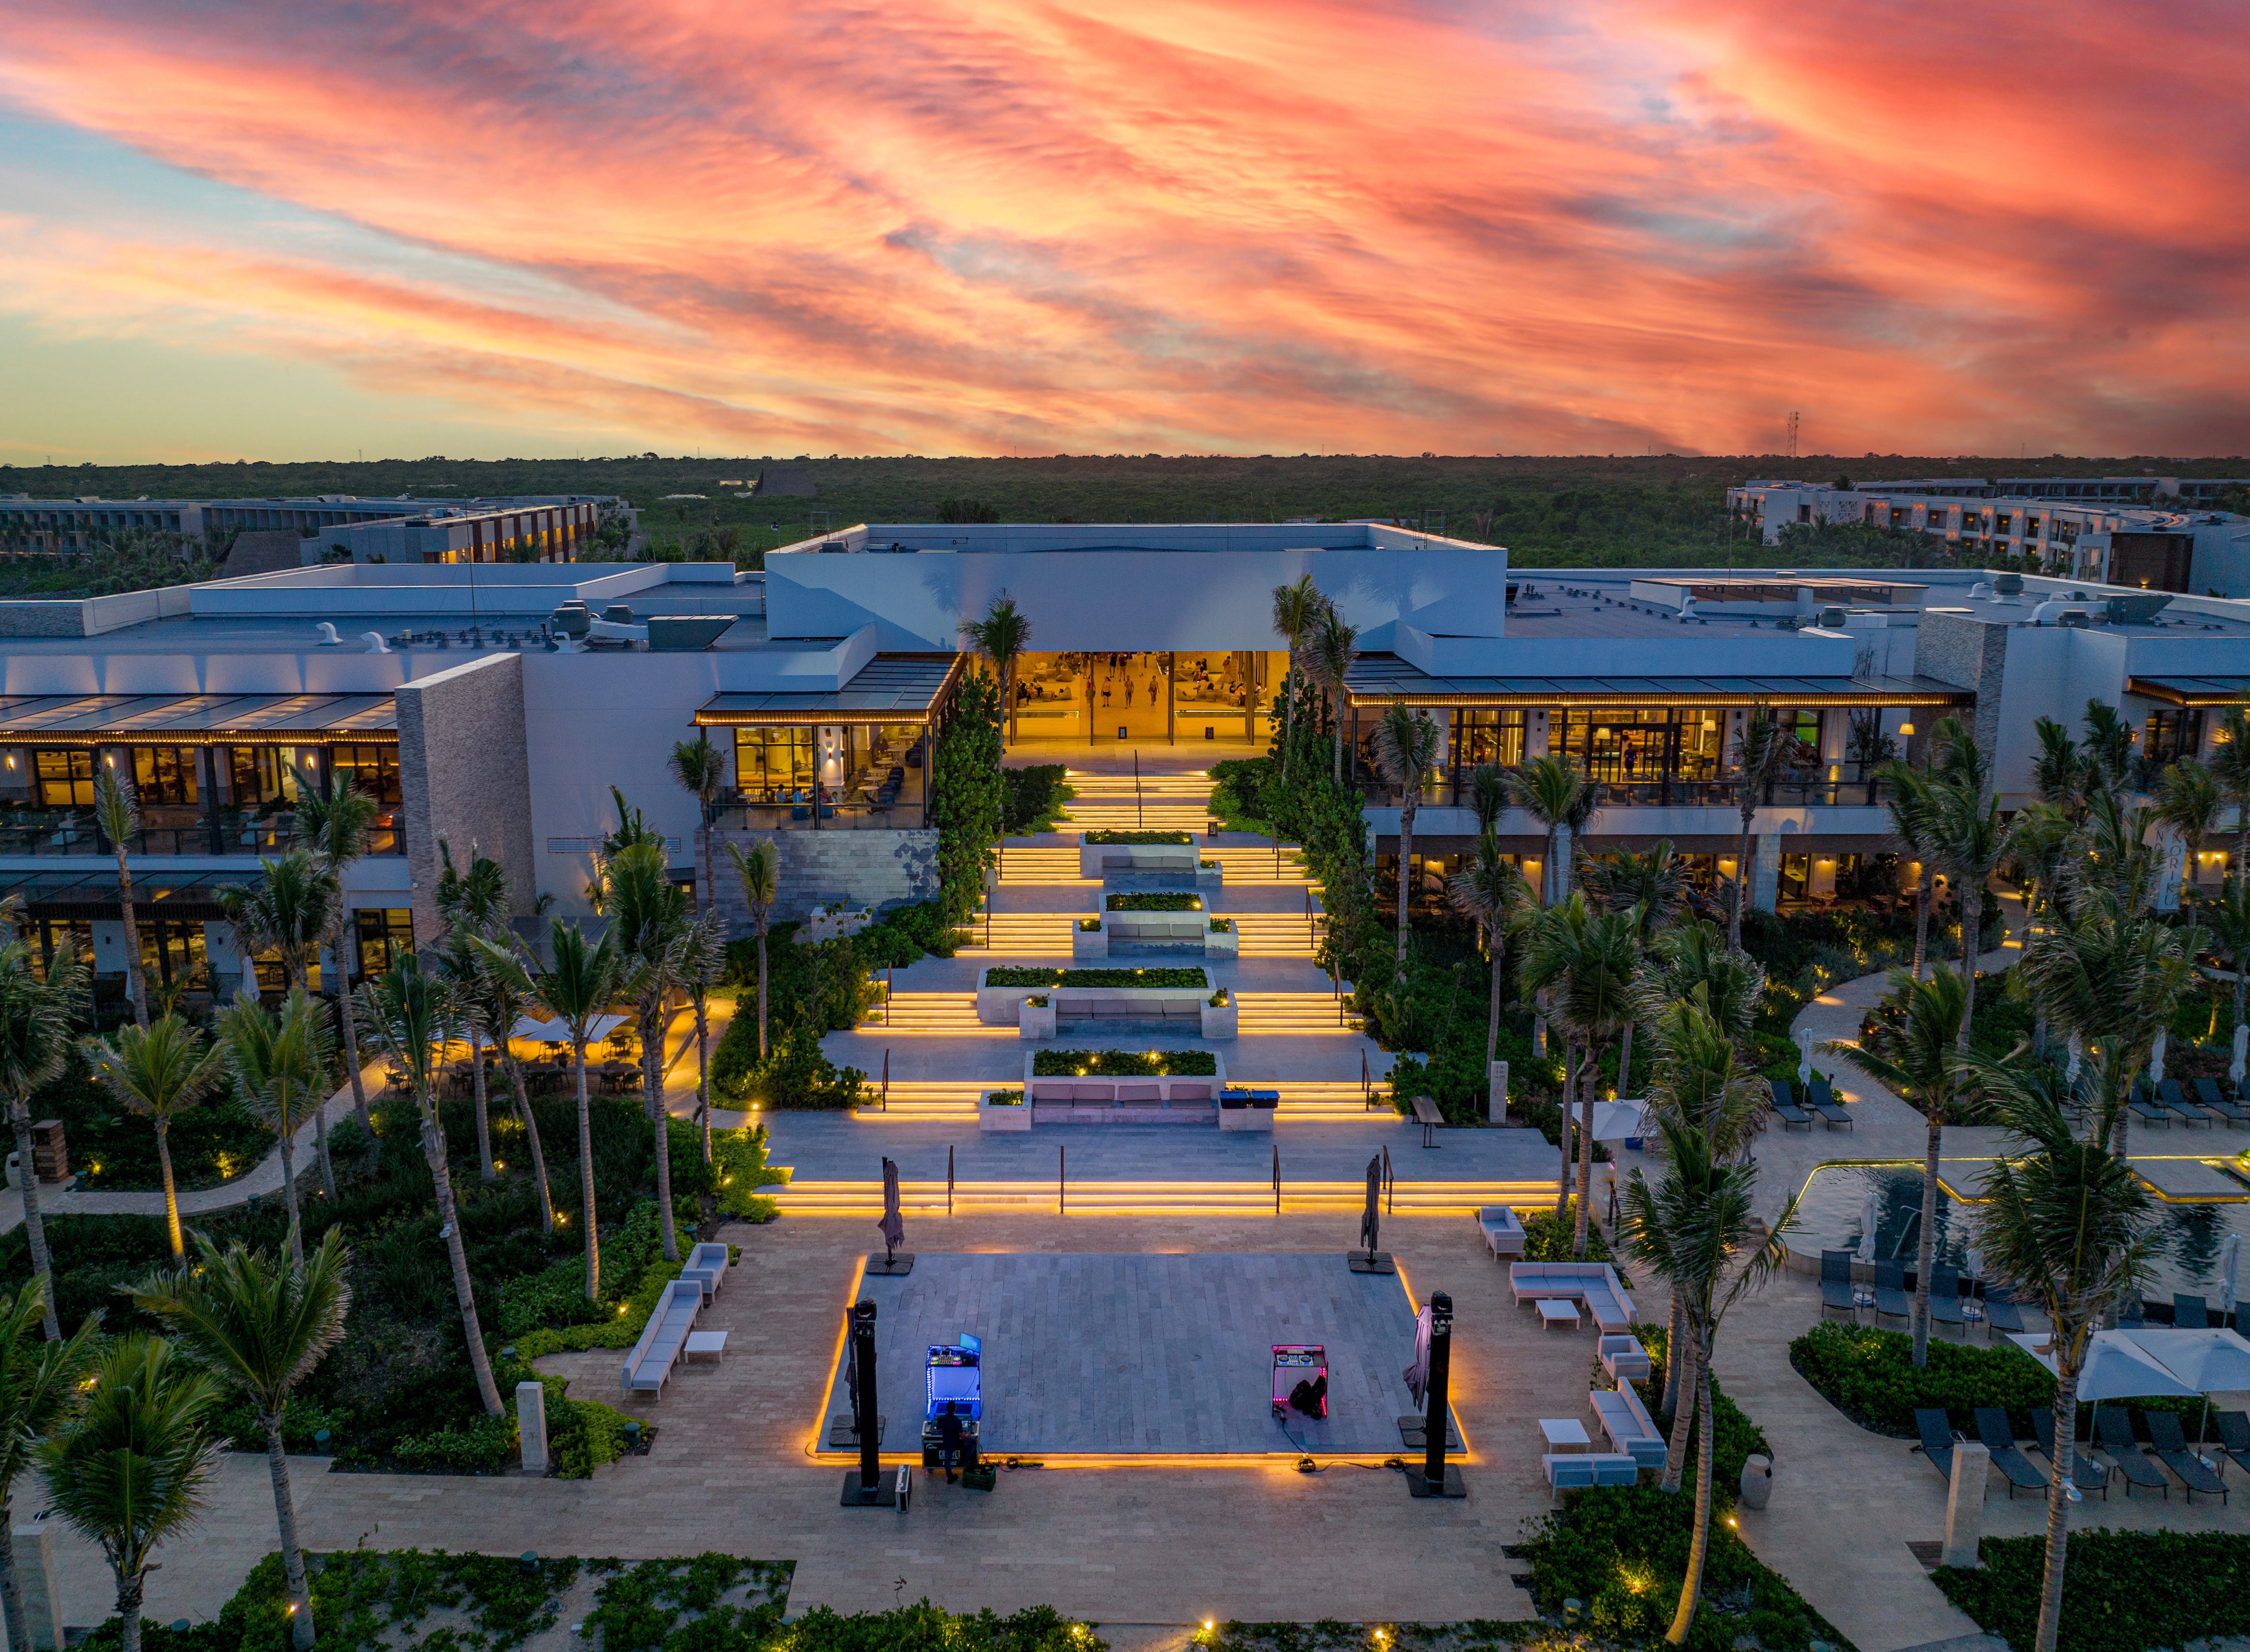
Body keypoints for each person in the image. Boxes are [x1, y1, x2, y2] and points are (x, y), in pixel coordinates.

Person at [937, 1400, 964, 1482]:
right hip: (956, 1443)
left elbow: (938, 1428)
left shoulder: (942, 1418)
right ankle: (966, 1461)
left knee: (947, 1459)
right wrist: (967, 1436)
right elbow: (961, 1434)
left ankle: (950, 1475)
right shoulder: (957, 1421)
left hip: (947, 1442)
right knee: (973, 1441)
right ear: (955, 1410)